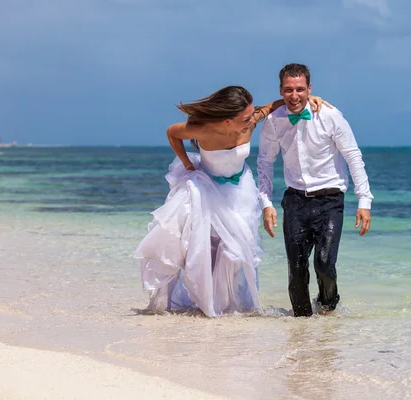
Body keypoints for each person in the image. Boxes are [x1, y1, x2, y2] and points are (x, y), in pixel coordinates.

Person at [135, 85, 329, 317]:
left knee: (234, 251)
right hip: (206, 189)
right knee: (196, 247)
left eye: (251, 115)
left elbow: (269, 107)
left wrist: (308, 97)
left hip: (239, 192)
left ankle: (226, 306)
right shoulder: (204, 130)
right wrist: (187, 163)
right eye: (245, 118)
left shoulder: (250, 122)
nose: (251, 121)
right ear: (227, 121)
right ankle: (196, 302)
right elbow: (172, 133)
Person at [257, 64, 373, 317]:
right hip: (295, 201)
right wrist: (266, 202)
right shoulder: (273, 121)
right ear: (281, 90)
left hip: (330, 200)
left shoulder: (330, 116)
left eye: (300, 89)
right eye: (288, 90)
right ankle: (301, 327)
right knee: (296, 270)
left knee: (324, 263)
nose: (294, 95)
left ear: (309, 89)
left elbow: (353, 156)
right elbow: (265, 162)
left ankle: (328, 308)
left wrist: (364, 201)